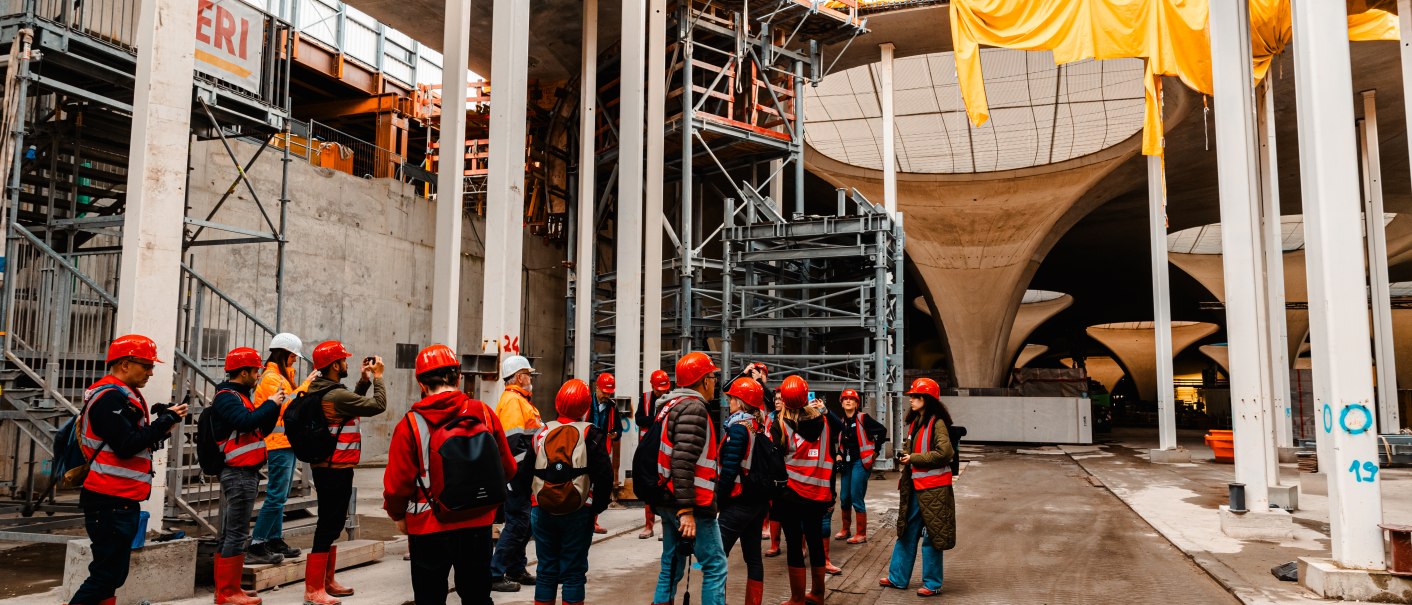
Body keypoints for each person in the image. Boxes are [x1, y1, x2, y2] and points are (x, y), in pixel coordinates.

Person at [383, 345, 516, 605]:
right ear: (457, 375)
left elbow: (398, 485)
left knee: (429, 597)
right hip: (477, 523)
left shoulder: (410, 424)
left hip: (428, 526)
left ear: (421, 383)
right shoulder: (485, 414)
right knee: (477, 595)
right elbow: (508, 469)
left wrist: (398, 514)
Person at [66, 335, 189, 605]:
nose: (151, 371)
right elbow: (126, 445)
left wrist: (162, 424)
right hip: (109, 500)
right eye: (146, 365)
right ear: (124, 364)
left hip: (119, 499)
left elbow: (134, 443)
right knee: (105, 576)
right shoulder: (109, 398)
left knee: (113, 575)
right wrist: (164, 421)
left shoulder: (121, 397)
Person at [303, 341, 388, 605]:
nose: (347, 364)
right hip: (333, 469)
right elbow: (377, 405)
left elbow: (349, 405)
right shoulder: (334, 394)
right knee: (328, 524)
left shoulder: (324, 390)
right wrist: (378, 378)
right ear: (333, 365)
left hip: (331, 466)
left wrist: (363, 382)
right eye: (343, 361)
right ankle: (314, 589)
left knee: (333, 523)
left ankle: (325, 581)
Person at [524, 379, 613, 605]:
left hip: (542, 510)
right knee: (573, 574)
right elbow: (605, 477)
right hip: (578, 510)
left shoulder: (541, 433)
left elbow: (525, 473)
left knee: (545, 571)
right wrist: (595, 508)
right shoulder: (591, 434)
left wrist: (535, 501)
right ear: (585, 408)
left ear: (557, 403)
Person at [651, 352, 728, 605]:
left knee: (671, 566)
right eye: (713, 377)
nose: (715, 382)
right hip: (692, 503)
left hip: (667, 496)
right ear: (703, 380)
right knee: (715, 566)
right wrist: (686, 510)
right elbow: (682, 461)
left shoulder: (668, 405)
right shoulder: (693, 409)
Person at [208, 347, 284, 604]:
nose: (257, 376)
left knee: (232, 532)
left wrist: (273, 406)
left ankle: (228, 588)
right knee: (238, 533)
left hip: (245, 471)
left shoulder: (240, 396)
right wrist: (271, 403)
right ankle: (228, 593)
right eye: (254, 371)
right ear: (243, 372)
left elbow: (259, 426)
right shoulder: (227, 397)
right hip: (238, 472)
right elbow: (245, 422)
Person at [878, 378, 956, 598]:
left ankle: (932, 584)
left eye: (916, 396)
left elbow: (945, 453)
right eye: (911, 396)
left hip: (934, 490)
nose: (911, 400)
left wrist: (913, 458)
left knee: (932, 535)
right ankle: (898, 578)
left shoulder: (937, 423)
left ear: (927, 399)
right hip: (916, 487)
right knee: (907, 532)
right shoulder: (916, 423)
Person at [249, 332, 318, 562]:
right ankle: (258, 542)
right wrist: (307, 384)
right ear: (284, 355)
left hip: (285, 443)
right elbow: (287, 405)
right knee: (276, 496)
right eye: (293, 357)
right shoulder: (271, 378)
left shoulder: (283, 376)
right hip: (276, 444)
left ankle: (274, 539)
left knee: (280, 495)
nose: (295, 361)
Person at [771, 375, 836, 605]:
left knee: (795, 544)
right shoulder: (825, 423)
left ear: (785, 400)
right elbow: (830, 458)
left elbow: (776, 462)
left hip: (791, 494)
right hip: (818, 494)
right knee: (815, 541)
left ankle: (797, 598)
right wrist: (831, 492)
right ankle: (818, 594)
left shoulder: (780, 424)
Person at [491, 355, 542, 592]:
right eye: (528, 375)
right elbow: (512, 444)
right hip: (517, 475)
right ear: (520, 377)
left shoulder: (521, 401)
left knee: (525, 523)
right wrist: (528, 466)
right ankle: (494, 573)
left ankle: (516, 568)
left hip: (523, 475)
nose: (530, 379)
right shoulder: (513, 402)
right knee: (518, 523)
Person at [717, 377, 769, 605]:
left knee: (717, 558)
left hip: (738, 501)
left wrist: (717, 501)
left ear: (741, 401)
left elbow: (729, 471)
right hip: (757, 503)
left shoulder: (738, 429)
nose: (729, 403)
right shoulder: (759, 425)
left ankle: (717, 601)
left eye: (731, 399)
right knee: (754, 558)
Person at [833, 389, 888, 544]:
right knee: (844, 497)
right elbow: (842, 443)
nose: (848, 401)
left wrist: (875, 452)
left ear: (857, 403)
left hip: (861, 462)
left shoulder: (863, 418)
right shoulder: (842, 422)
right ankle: (845, 529)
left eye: (852, 399)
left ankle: (861, 533)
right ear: (842, 403)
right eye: (845, 399)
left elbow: (882, 431)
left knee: (856, 497)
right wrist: (839, 455)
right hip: (847, 464)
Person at [636, 369, 672, 539]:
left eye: (664, 389)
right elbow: (638, 419)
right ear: (652, 386)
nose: (662, 392)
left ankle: (666, 527)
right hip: (648, 449)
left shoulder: (673, 398)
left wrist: (654, 419)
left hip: (666, 447)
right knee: (650, 485)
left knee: (665, 486)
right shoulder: (645, 398)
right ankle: (648, 526)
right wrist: (658, 419)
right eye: (659, 389)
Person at [588, 372, 621, 534]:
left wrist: (615, 434)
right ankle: (584, 520)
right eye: (604, 392)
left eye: (609, 393)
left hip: (602, 450)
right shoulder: (587, 403)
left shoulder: (612, 406)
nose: (606, 396)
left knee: (598, 487)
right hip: (585, 450)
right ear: (597, 388)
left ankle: (593, 521)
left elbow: (618, 429)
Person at [763, 391, 785, 558]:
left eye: (780, 399)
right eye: (776, 399)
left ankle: (801, 546)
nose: (777, 402)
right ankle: (775, 545)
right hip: (773, 467)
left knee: (795, 510)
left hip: (790, 467)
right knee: (776, 507)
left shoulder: (792, 418)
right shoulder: (770, 418)